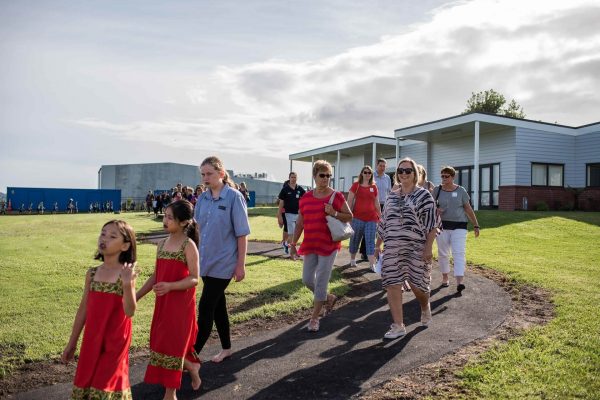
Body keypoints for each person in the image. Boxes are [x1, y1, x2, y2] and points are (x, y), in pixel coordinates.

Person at [62, 220, 137, 398]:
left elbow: (130, 311)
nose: (105, 238)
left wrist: (127, 285)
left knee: (105, 387)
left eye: (112, 236)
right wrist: (72, 343)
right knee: (87, 382)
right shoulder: (92, 274)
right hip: (92, 339)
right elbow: (83, 310)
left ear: (125, 246)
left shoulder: (125, 275)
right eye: (103, 234)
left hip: (115, 342)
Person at [137, 200, 201, 397]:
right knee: (161, 343)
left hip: (180, 306)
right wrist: (136, 295)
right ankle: (190, 365)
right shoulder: (162, 243)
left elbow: (194, 278)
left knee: (173, 345)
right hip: (163, 304)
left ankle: (170, 394)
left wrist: (171, 286)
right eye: (164, 216)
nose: (165, 220)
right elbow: (157, 275)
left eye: (169, 217)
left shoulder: (188, 245)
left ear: (183, 222)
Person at [194, 156, 250, 363]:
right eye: (203, 174)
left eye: (209, 173)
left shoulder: (234, 197)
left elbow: (242, 234)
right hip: (205, 262)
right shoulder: (202, 199)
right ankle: (226, 348)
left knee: (206, 306)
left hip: (225, 263)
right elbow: (196, 230)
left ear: (221, 174)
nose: (205, 178)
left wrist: (240, 265)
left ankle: (191, 356)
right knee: (218, 306)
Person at [375, 158, 438, 339]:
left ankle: (425, 306)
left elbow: (433, 225)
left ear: (415, 174)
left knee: (418, 286)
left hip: (416, 248)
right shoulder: (392, 196)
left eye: (408, 171)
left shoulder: (424, 196)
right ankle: (398, 325)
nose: (403, 174)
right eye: (400, 171)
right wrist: (378, 245)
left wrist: (428, 248)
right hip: (393, 247)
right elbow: (384, 222)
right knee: (392, 283)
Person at [289, 160, 352, 332]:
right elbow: (300, 222)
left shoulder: (336, 196)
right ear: (315, 176)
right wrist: (293, 243)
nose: (326, 179)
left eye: (328, 176)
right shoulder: (306, 198)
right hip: (310, 244)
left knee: (321, 282)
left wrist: (334, 212)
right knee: (307, 279)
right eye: (322, 175)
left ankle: (314, 318)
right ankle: (328, 298)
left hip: (328, 245)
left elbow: (349, 216)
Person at [433, 166, 480, 292]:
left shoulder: (461, 191)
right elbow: (430, 207)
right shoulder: (437, 190)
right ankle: (445, 278)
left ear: (453, 177)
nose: (444, 178)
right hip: (441, 227)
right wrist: (436, 211)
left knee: (459, 253)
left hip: (459, 226)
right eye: (442, 176)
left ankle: (460, 282)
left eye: (446, 176)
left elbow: (468, 208)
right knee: (443, 254)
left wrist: (476, 225)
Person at [347, 166, 381, 269]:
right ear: (361, 173)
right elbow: (349, 201)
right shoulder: (356, 185)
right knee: (355, 239)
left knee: (370, 240)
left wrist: (381, 216)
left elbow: (377, 203)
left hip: (371, 219)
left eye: (369, 173)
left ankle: (372, 264)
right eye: (365, 172)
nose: (367, 174)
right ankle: (352, 259)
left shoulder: (374, 187)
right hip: (357, 218)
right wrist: (348, 215)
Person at [360, 158, 392, 260]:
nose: (382, 168)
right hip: (372, 206)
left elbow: (390, 192)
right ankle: (364, 252)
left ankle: (377, 251)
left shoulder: (387, 178)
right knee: (370, 229)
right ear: (376, 166)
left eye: (384, 166)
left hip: (384, 206)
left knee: (382, 229)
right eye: (380, 166)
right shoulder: (371, 176)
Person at [277, 172, 306, 255]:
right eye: (292, 177)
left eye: (295, 177)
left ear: (297, 178)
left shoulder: (300, 189)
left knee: (297, 233)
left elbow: (306, 197)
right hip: (288, 214)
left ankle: (286, 244)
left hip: (298, 214)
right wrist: (279, 215)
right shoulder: (285, 189)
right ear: (289, 178)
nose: (293, 179)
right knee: (292, 234)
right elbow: (281, 203)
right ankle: (291, 248)